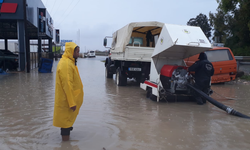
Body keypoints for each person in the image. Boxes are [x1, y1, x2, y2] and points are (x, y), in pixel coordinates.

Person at [53, 42, 84, 141]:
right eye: (77, 52)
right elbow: (67, 84)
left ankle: (66, 143)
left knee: (67, 122)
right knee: (65, 124)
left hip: (68, 99)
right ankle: (65, 145)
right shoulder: (66, 64)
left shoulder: (69, 62)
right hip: (67, 100)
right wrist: (71, 102)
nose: (78, 54)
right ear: (72, 51)